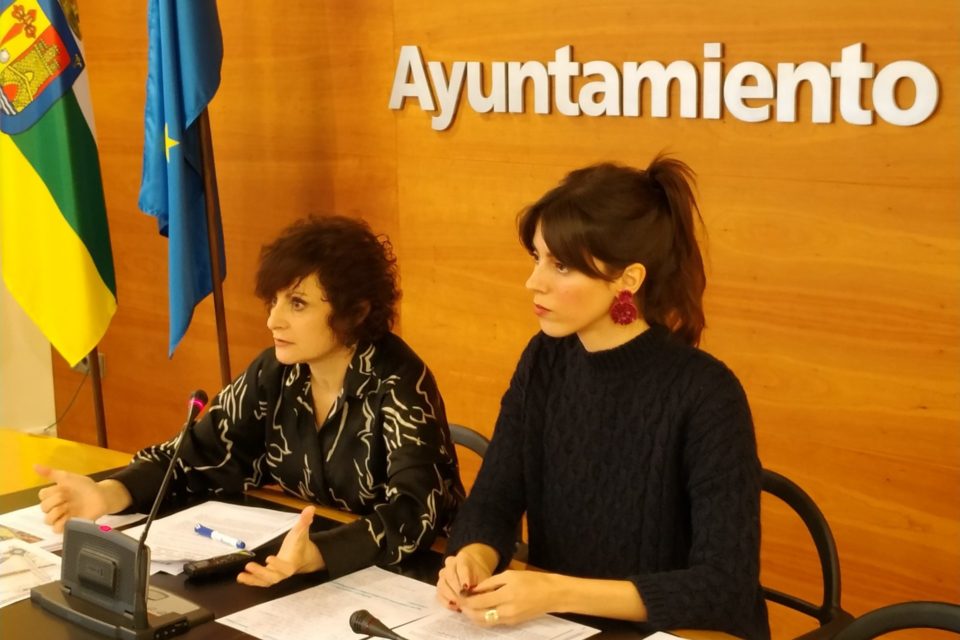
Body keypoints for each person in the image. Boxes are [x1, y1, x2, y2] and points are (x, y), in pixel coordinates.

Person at [436, 157, 770, 639]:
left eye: (561, 265)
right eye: (537, 258)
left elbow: (724, 586)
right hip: (561, 626)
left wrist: (556, 591)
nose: (534, 282)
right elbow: (494, 501)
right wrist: (471, 558)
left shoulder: (706, 393)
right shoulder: (544, 360)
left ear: (627, 280)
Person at [36, 215, 465, 585]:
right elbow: (199, 453)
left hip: (410, 578)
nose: (273, 319)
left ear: (355, 312)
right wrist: (110, 493)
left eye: (297, 304)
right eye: (273, 301)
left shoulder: (400, 381)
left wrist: (318, 555)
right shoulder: (276, 372)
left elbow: (416, 512)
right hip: (300, 571)